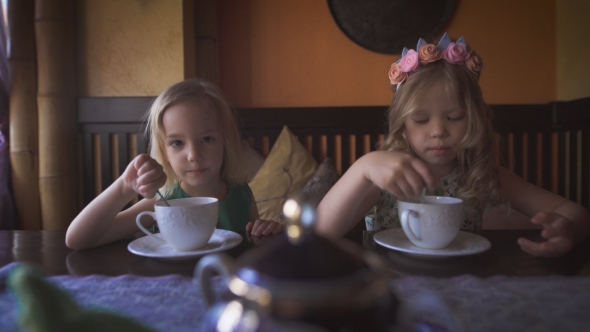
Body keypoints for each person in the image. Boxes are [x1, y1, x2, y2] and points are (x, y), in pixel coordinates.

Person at [315, 33, 590, 257]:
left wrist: (568, 228)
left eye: (454, 118)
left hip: (463, 284)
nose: (438, 131)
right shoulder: (388, 177)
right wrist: (362, 168)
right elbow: (318, 233)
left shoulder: (483, 175)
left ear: (475, 119)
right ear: (402, 125)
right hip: (388, 288)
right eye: (421, 120)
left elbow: (574, 212)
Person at [66, 78, 283, 250]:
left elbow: (256, 244)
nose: (194, 155)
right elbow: (77, 239)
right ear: (164, 152)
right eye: (177, 143)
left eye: (207, 139)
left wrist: (267, 230)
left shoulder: (242, 194)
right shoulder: (163, 202)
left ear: (225, 141)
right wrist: (123, 187)